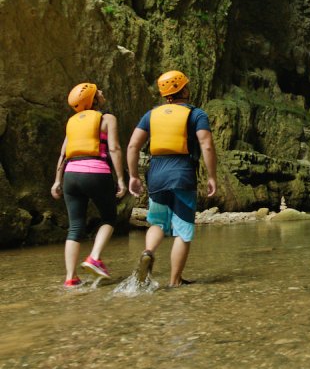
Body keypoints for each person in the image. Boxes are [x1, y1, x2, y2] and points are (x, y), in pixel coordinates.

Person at [127, 70, 217, 287]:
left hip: (156, 175)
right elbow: (206, 144)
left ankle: (148, 252)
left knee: (157, 222)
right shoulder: (196, 115)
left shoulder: (151, 115)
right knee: (183, 229)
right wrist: (212, 176)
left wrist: (133, 176)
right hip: (182, 174)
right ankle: (175, 280)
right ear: (184, 90)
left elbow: (132, 145)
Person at [51, 83, 126, 287]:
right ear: (92, 100)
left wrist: (57, 181)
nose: (101, 92)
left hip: (70, 175)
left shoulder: (72, 122)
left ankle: (70, 278)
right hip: (96, 172)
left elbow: (63, 153)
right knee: (109, 217)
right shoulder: (107, 119)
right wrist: (120, 179)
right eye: (97, 91)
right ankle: (94, 257)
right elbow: (114, 148)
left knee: (75, 227)